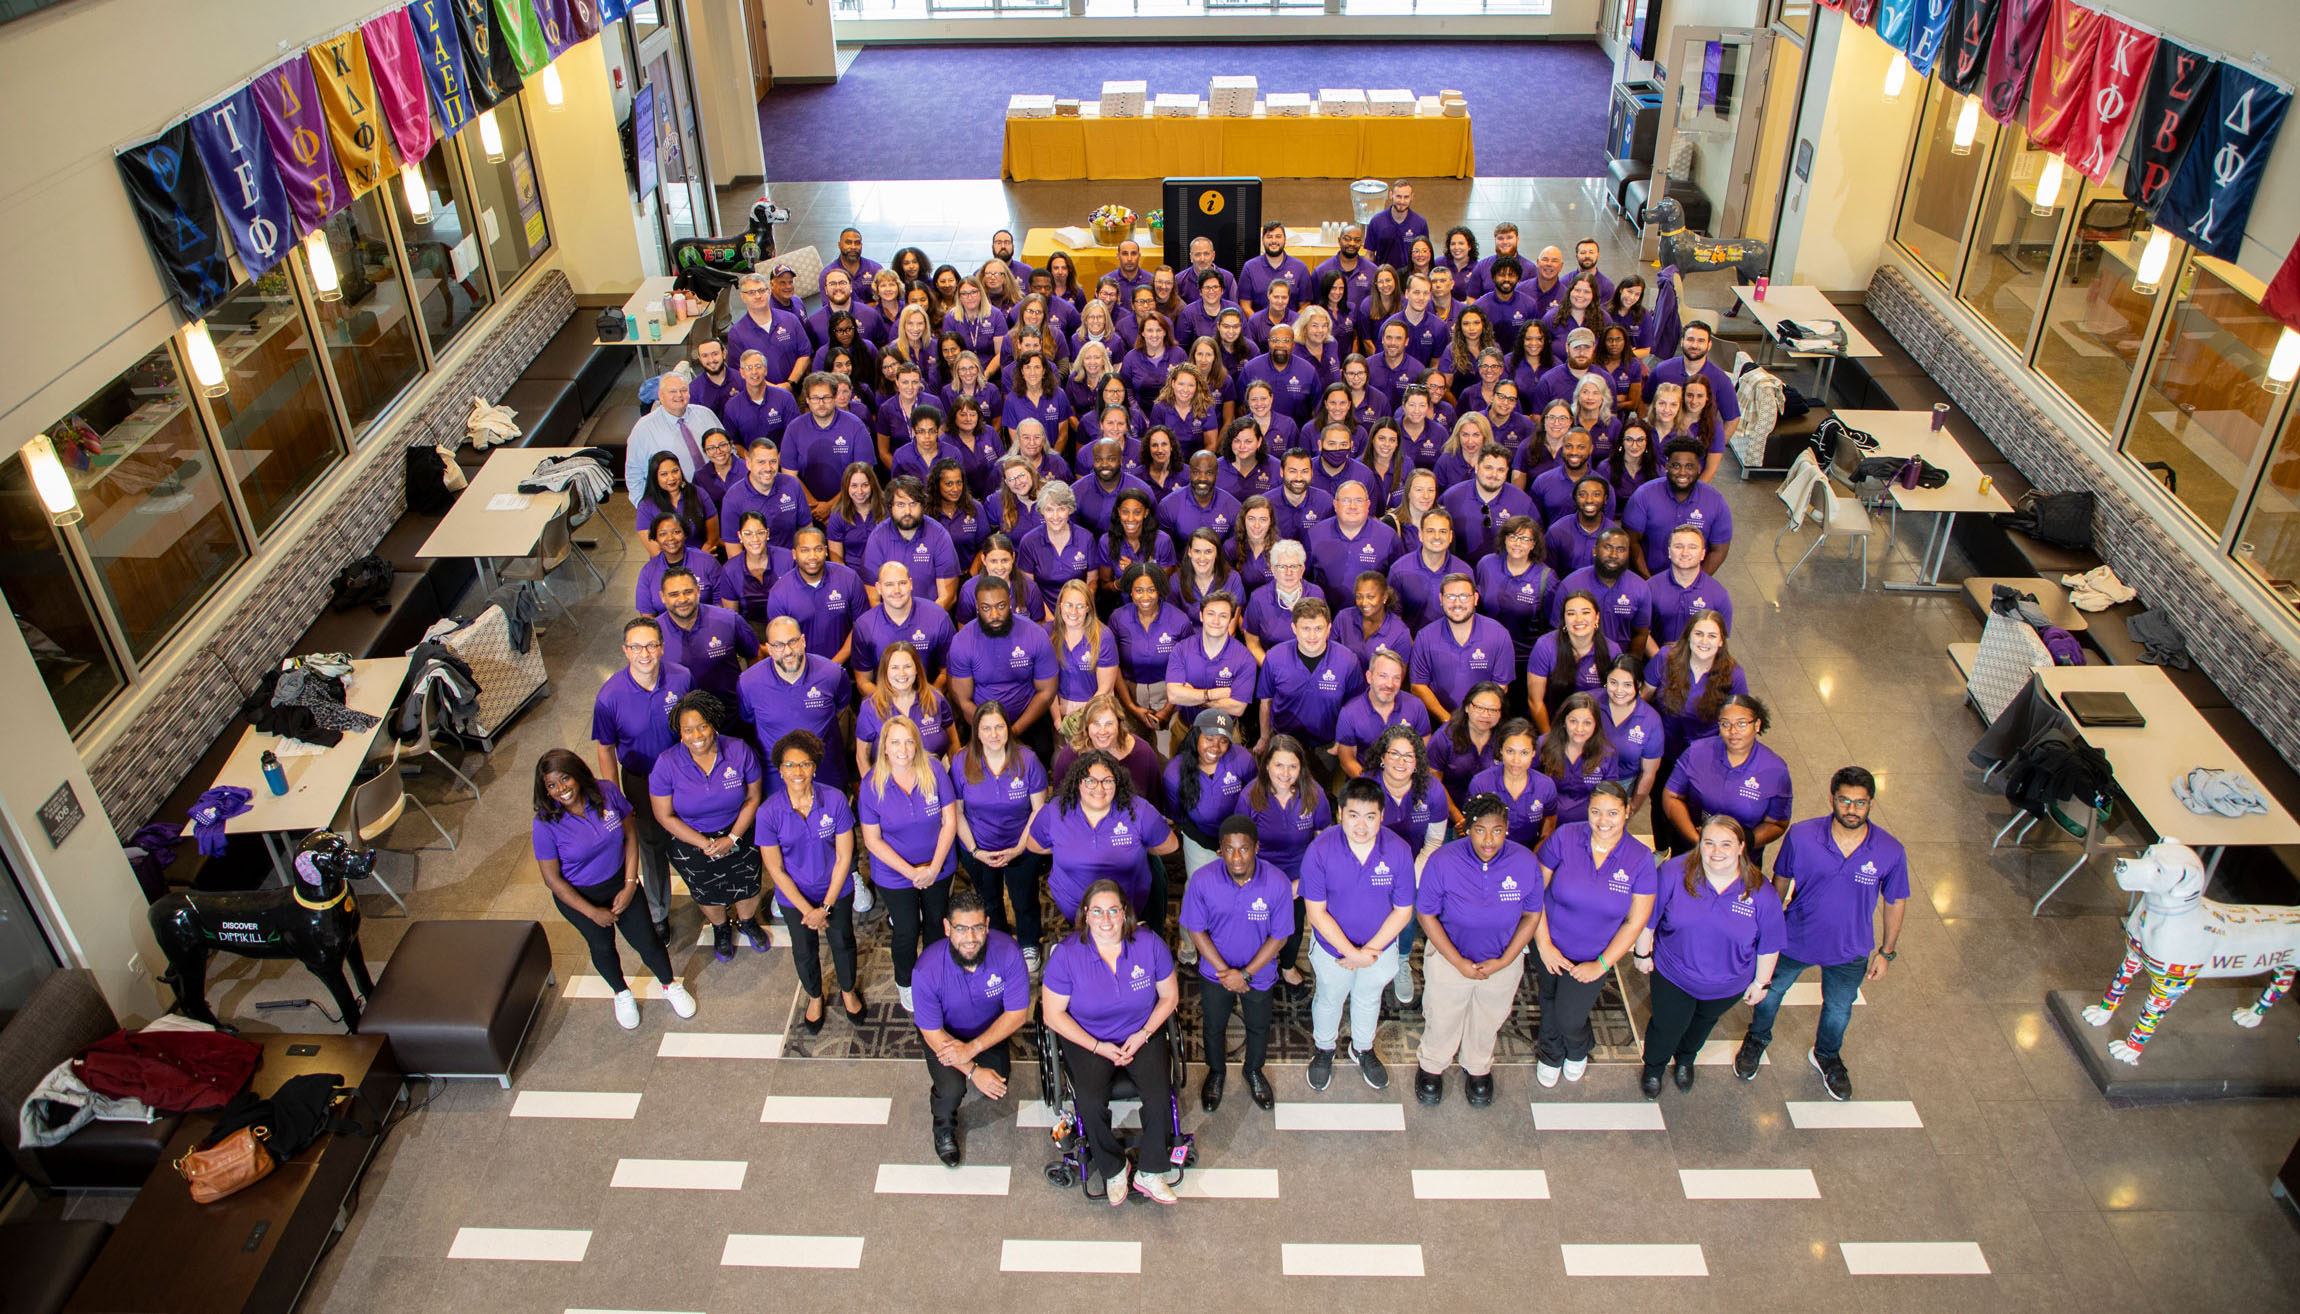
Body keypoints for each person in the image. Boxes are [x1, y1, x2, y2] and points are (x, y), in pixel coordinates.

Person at [1734, 767, 1907, 1100]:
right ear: (1832, 798)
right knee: (1770, 993)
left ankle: (1826, 1054)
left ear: (1871, 803)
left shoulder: (1890, 850)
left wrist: (1886, 953)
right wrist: (1765, 931)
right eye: (1845, 800)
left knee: (1839, 1008)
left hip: (1850, 948)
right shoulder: (1801, 836)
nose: (1852, 809)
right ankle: (1757, 1038)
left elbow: (1895, 902)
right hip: (1795, 938)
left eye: (1861, 803)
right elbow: (1779, 882)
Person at [1040, 880, 1182, 1206]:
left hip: (1140, 1032)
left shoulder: (1149, 944)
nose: (1106, 920)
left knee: (1160, 1093)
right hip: (1087, 1037)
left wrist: (1144, 1033)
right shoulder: (1067, 955)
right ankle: (1114, 1167)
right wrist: (1096, 1046)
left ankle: (1151, 1170)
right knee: (1089, 1101)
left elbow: (1169, 996)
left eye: (1113, 911)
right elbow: (1053, 1014)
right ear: (1086, 915)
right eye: (1098, 912)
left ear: (1125, 914)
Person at [532, 749, 695, 1029]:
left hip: (621, 882)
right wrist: (592, 912)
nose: (561, 789)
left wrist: (631, 883)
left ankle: (669, 985)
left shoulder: (606, 791)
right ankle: (621, 993)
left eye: (565, 779)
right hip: (580, 897)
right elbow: (552, 880)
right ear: (545, 790)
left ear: (578, 775)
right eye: (551, 785)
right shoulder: (545, 823)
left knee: (647, 941)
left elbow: (630, 834)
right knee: (602, 947)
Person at [1635, 815, 1783, 1098]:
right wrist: (1642, 952)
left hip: (1727, 984)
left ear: (1741, 847)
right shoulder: (1674, 873)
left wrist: (1761, 983)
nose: (1716, 852)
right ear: (1699, 843)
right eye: (1709, 843)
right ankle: (1654, 1067)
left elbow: (1770, 943)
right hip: (1673, 974)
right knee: (1667, 1025)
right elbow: (1648, 918)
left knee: (1702, 1024)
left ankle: (1686, 1058)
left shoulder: (1760, 892)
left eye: (1726, 844)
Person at [1412, 792, 1542, 1106]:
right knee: (1442, 1015)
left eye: (1496, 830)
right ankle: (1432, 1064)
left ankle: (1478, 1065)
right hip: (1448, 959)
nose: (1488, 840)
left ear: (1506, 829)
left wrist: (1505, 960)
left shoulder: (1525, 862)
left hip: (1502, 962)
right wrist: (1457, 962)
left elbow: (1532, 915)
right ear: (1468, 828)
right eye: (1480, 830)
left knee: (1490, 1017)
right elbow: (1425, 914)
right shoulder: (1443, 861)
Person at [1530, 782, 1656, 1086]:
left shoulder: (1640, 859)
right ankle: (1550, 1052)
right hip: (1548, 941)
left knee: (1570, 1016)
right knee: (1549, 998)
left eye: (1613, 812)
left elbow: (1635, 922)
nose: (1603, 820)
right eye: (1596, 811)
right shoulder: (1566, 836)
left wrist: (1601, 964)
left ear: (1627, 812)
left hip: (1593, 956)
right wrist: (1544, 944)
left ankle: (1578, 1046)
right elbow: (1535, 891)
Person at [1300, 778, 1417, 1091]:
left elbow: (1403, 911)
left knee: (1368, 999)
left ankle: (1362, 1048)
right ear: (1340, 814)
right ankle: (1324, 1048)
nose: (1361, 826)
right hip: (1332, 951)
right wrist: (1351, 954)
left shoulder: (1399, 851)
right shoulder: (1320, 850)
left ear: (1382, 816)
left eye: (1370, 817)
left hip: (1379, 950)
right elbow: (1316, 912)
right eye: (1353, 815)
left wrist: (1368, 953)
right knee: (1329, 999)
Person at [1181, 816, 1292, 1113]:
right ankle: (1216, 1072)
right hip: (1215, 975)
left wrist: (1245, 974)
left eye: (1243, 849)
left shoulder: (1278, 883)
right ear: (1220, 850)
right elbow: (1196, 930)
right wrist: (1226, 974)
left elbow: (1279, 936)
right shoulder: (1203, 880)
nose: (1237, 857)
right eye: (1229, 849)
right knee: (1214, 1027)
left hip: (1260, 975)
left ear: (1256, 848)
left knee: (1258, 1026)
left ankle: (1253, 1070)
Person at [912, 890, 1031, 1167]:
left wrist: (974, 1048)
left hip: (986, 1032)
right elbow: (932, 1032)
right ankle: (942, 1126)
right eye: (961, 929)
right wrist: (973, 1071)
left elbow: (1016, 1015)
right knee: (951, 1088)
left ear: (987, 925)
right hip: (944, 1036)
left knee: (1000, 1077)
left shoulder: (1009, 953)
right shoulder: (926, 970)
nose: (970, 938)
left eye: (977, 928)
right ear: (947, 928)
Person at [592, 617, 692, 944]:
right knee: (651, 848)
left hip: (683, 775)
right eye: (636, 647)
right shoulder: (609, 697)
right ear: (625, 651)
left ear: (662, 648)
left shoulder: (681, 678)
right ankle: (659, 913)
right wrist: (615, 799)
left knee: (691, 836)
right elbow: (605, 749)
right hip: (641, 779)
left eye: (650, 645)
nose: (644, 653)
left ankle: (711, 898)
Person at [650, 692, 767, 965]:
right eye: (688, 730)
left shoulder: (738, 750)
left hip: (739, 830)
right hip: (691, 840)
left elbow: (752, 798)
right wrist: (704, 844)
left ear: (713, 724)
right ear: (680, 734)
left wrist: (733, 837)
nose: (697, 735)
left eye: (702, 726)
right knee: (705, 890)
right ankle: (721, 927)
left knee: (747, 884)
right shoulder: (666, 764)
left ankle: (747, 922)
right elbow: (664, 815)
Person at [758, 731, 864, 1031]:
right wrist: (808, 911)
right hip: (795, 897)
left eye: (804, 764)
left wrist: (826, 907)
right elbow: (776, 870)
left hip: (836, 889)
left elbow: (845, 856)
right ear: (779, 769)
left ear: (814, 767)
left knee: (843, 942)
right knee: (804, 949)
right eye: (789, 765)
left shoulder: (835, 800)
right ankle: (815, 996)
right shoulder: (768, 812)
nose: (797, 772)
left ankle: (847, 990)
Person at [859, 715, 958, 1012]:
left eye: (908, 741)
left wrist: (933, 868)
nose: (903, 748)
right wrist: (912, 873)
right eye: (895, 742)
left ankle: (932, 977)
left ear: (917, 744)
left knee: (936, 925)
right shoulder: (872, 783)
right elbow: (872, 840)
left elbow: (949, 821)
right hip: (895, 874)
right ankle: (906, 982)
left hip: (937, 867)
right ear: (885, 748)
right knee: (906, 929)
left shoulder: (935, 770)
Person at [1027, 750, 1179, 938]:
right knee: (1087, 950)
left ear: (1117, 782)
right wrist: (1069, 848)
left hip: (1128, 906)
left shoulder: (1139, 810)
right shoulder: (1055, 812)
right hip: (1074, 907)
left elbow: (1170, 845)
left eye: (1107, 781)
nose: (1099, 788)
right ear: (1078, 783)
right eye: (1090, 780)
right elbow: (1035, 845)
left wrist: (1138, 849)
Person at [951, 700, 1052, 968]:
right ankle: (997, 939)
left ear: (1008, 729)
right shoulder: (961, 762)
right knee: (988, 900)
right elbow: (956, 813)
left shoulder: (1028, 761)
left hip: (1021, 846)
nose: (994, 734)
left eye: (999, 727)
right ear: (977, 732)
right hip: (978, 848)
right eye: (986, 728)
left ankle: (1029, 942)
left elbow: (1038, 810)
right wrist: (975, 851)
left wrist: (1020, 848)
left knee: (1025, 898)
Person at [1659, 694, 1791, 858]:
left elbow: (1777, 823)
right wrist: (1698, 840)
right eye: (1725, 724)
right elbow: (1671, 796)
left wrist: (1741, 843)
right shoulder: (1696, 752)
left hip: (1742, 858)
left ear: (1757, 725)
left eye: (1741, 724)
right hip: (1692, 849)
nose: (1733, 731)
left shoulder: (1775, 769)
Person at [1255, 597, 1363, 780]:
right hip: (1284, 744)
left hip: (1327, 748)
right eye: (1306, 629)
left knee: (1321, 797)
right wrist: (1265, 738)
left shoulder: (1347, 661)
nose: (1312, 636)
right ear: (1294, 629)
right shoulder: (1274, 657)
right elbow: (1266, 701)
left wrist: (1342, 743)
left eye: (1319, 629)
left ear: (1329, 629)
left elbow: (1355, 708)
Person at [1410, 573, 1516, 725]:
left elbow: (1501, 686)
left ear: (1476, 598)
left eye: (1464, 596)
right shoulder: (1424, 636)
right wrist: (1449, 721)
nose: (1457, 603)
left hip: (1486, 724)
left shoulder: (1499, 634)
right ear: (1441, 599)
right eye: (1451, 597)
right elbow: (1418, 686)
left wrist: (1477, 720)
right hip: (1440, 724)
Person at [1624, 438, 1733, 575]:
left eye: (1689, 466)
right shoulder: (1644, 495)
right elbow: (1631, 541)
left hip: (1692, 579)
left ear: (1699, 468)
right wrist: (1649, 582)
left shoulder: (1716, 502)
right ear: (1667, 467)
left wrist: (1697, 584)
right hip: (1649, 576)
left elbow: (1719, 550)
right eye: (1676, 466)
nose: (1682, 472)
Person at [654, 565, 756, 708]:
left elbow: (754, 655)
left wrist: (750, 694)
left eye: (688, 592)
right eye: (674, 594)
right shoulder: (652, 633)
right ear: (662, 597)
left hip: (732, 716)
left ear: (698, 591)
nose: (682, 599)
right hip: (681, 724)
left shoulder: (728, 620)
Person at [624, 371, 726, 500]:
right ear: (661, 396)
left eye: (683, 390)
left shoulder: (705, 415)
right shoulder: (644, 429)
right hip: (674, 502)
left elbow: (728, 448)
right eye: (672, 391)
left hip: (715, 493)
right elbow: (634, 473)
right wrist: (644, 508)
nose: (679, 395)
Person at [1471, 718, 1559, 850]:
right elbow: (1474, 830)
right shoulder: (1481, 783)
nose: (1516, 760)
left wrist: (1531, 861)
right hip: (1489, 853)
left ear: (1533, 753)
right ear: (1501, 750)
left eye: (1524, 752)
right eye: (1510, 751)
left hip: (1530, 853)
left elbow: (1547, 831)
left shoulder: (1545, 785)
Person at [1647, 526, 1734, 646]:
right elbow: (1642, 632)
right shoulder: (1650, 588)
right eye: (1678, 546)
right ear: (1669, 552)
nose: (1685, 553)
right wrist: (1660, 657)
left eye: (1692, 547)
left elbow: (1720, 640)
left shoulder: (1719, 596)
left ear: (1703, 554)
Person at [1429, 681, 1506, 809]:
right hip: (1450, 815)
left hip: (1492, 816)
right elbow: (1434, 785)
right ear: (1466, 707)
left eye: (1493, 710)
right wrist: (1458, 819)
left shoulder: (1505, 737)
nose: (1486, 715)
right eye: (1479, 708)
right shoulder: (1445, 737)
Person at [1365, 179, 1429, 270]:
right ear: (1391, 195)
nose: (1402, 201)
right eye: (1398, 196)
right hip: (1384, 277)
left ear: (1412, 197)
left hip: (1409, 277)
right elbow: (1369, 254)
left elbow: (1425, 254)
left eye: (1406, 197)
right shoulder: (1376, 221)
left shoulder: (1420, 223)